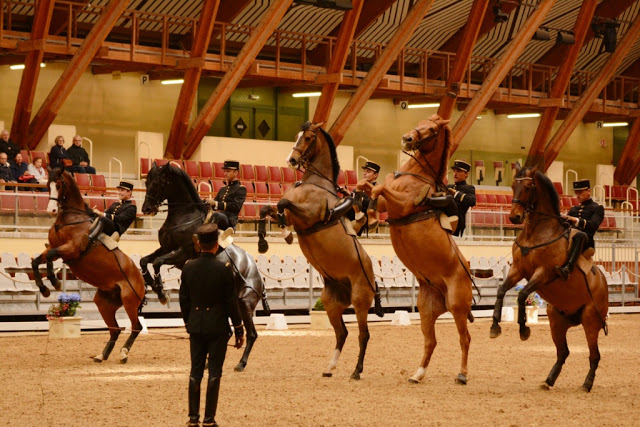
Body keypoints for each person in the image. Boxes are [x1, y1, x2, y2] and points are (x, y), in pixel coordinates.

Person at [180, 223, 244, 427]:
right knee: (215, 373)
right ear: (216, 244)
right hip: (218, 327)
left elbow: (183, 300)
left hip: (196, 326)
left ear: (198, 244)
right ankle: (209, 419)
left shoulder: (188, 266)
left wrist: (188, 321)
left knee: (195, 372)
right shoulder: (224, 268)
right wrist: (239, 327)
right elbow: (230, 301)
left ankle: (192, 418)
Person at [555, 179, 605, 280]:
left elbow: (593, 225)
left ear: (589, 191)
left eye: (580, 192)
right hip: (570, 235)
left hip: (585, 240)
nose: (577, 195)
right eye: (576, 193)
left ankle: (568, 269)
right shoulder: (574, 209)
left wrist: (575, 220)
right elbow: (565, 225)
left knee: (580, 235)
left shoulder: (597, 208)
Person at [84, 181, 137, 248]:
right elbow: (106, 214)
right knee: (93, 217)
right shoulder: (115, 204)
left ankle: (90, 239)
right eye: (119, 190)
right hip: (108, 224)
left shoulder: (131, 207)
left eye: (122, 190)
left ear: (129, 192)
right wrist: (95, 212)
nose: (119, 192)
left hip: (115, 229)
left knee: (103, 219)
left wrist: (101, 214)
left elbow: (119, 218)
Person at [207, 160, 247, 231]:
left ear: (235, 172)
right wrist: (208, 203)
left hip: (230, 220)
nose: (225, 174)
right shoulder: (223, 189)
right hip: (219, 217)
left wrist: (216, 203)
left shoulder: (241, 189)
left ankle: (208, 234)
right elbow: (215, 203)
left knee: (217, 215)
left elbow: (236, 206)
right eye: (224, 171)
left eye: (228, 171)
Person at [446, 159, 476, 237]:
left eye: (458, 171)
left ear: (466, 174)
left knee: (449, 199)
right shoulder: (449, 186)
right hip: (444, 218)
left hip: (456, 223)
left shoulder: (469, 188)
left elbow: (472, 201)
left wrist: (455, 193)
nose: (455, 174)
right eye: (454, 171)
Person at [350, 161, 380, 235]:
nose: (364, 173)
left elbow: (376, 202)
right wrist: (346, 193)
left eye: (368, 172)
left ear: (375, 175)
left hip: (367, 217)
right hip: (354, 215)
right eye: (364, 171)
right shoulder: (359, 186)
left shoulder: (378, 188)